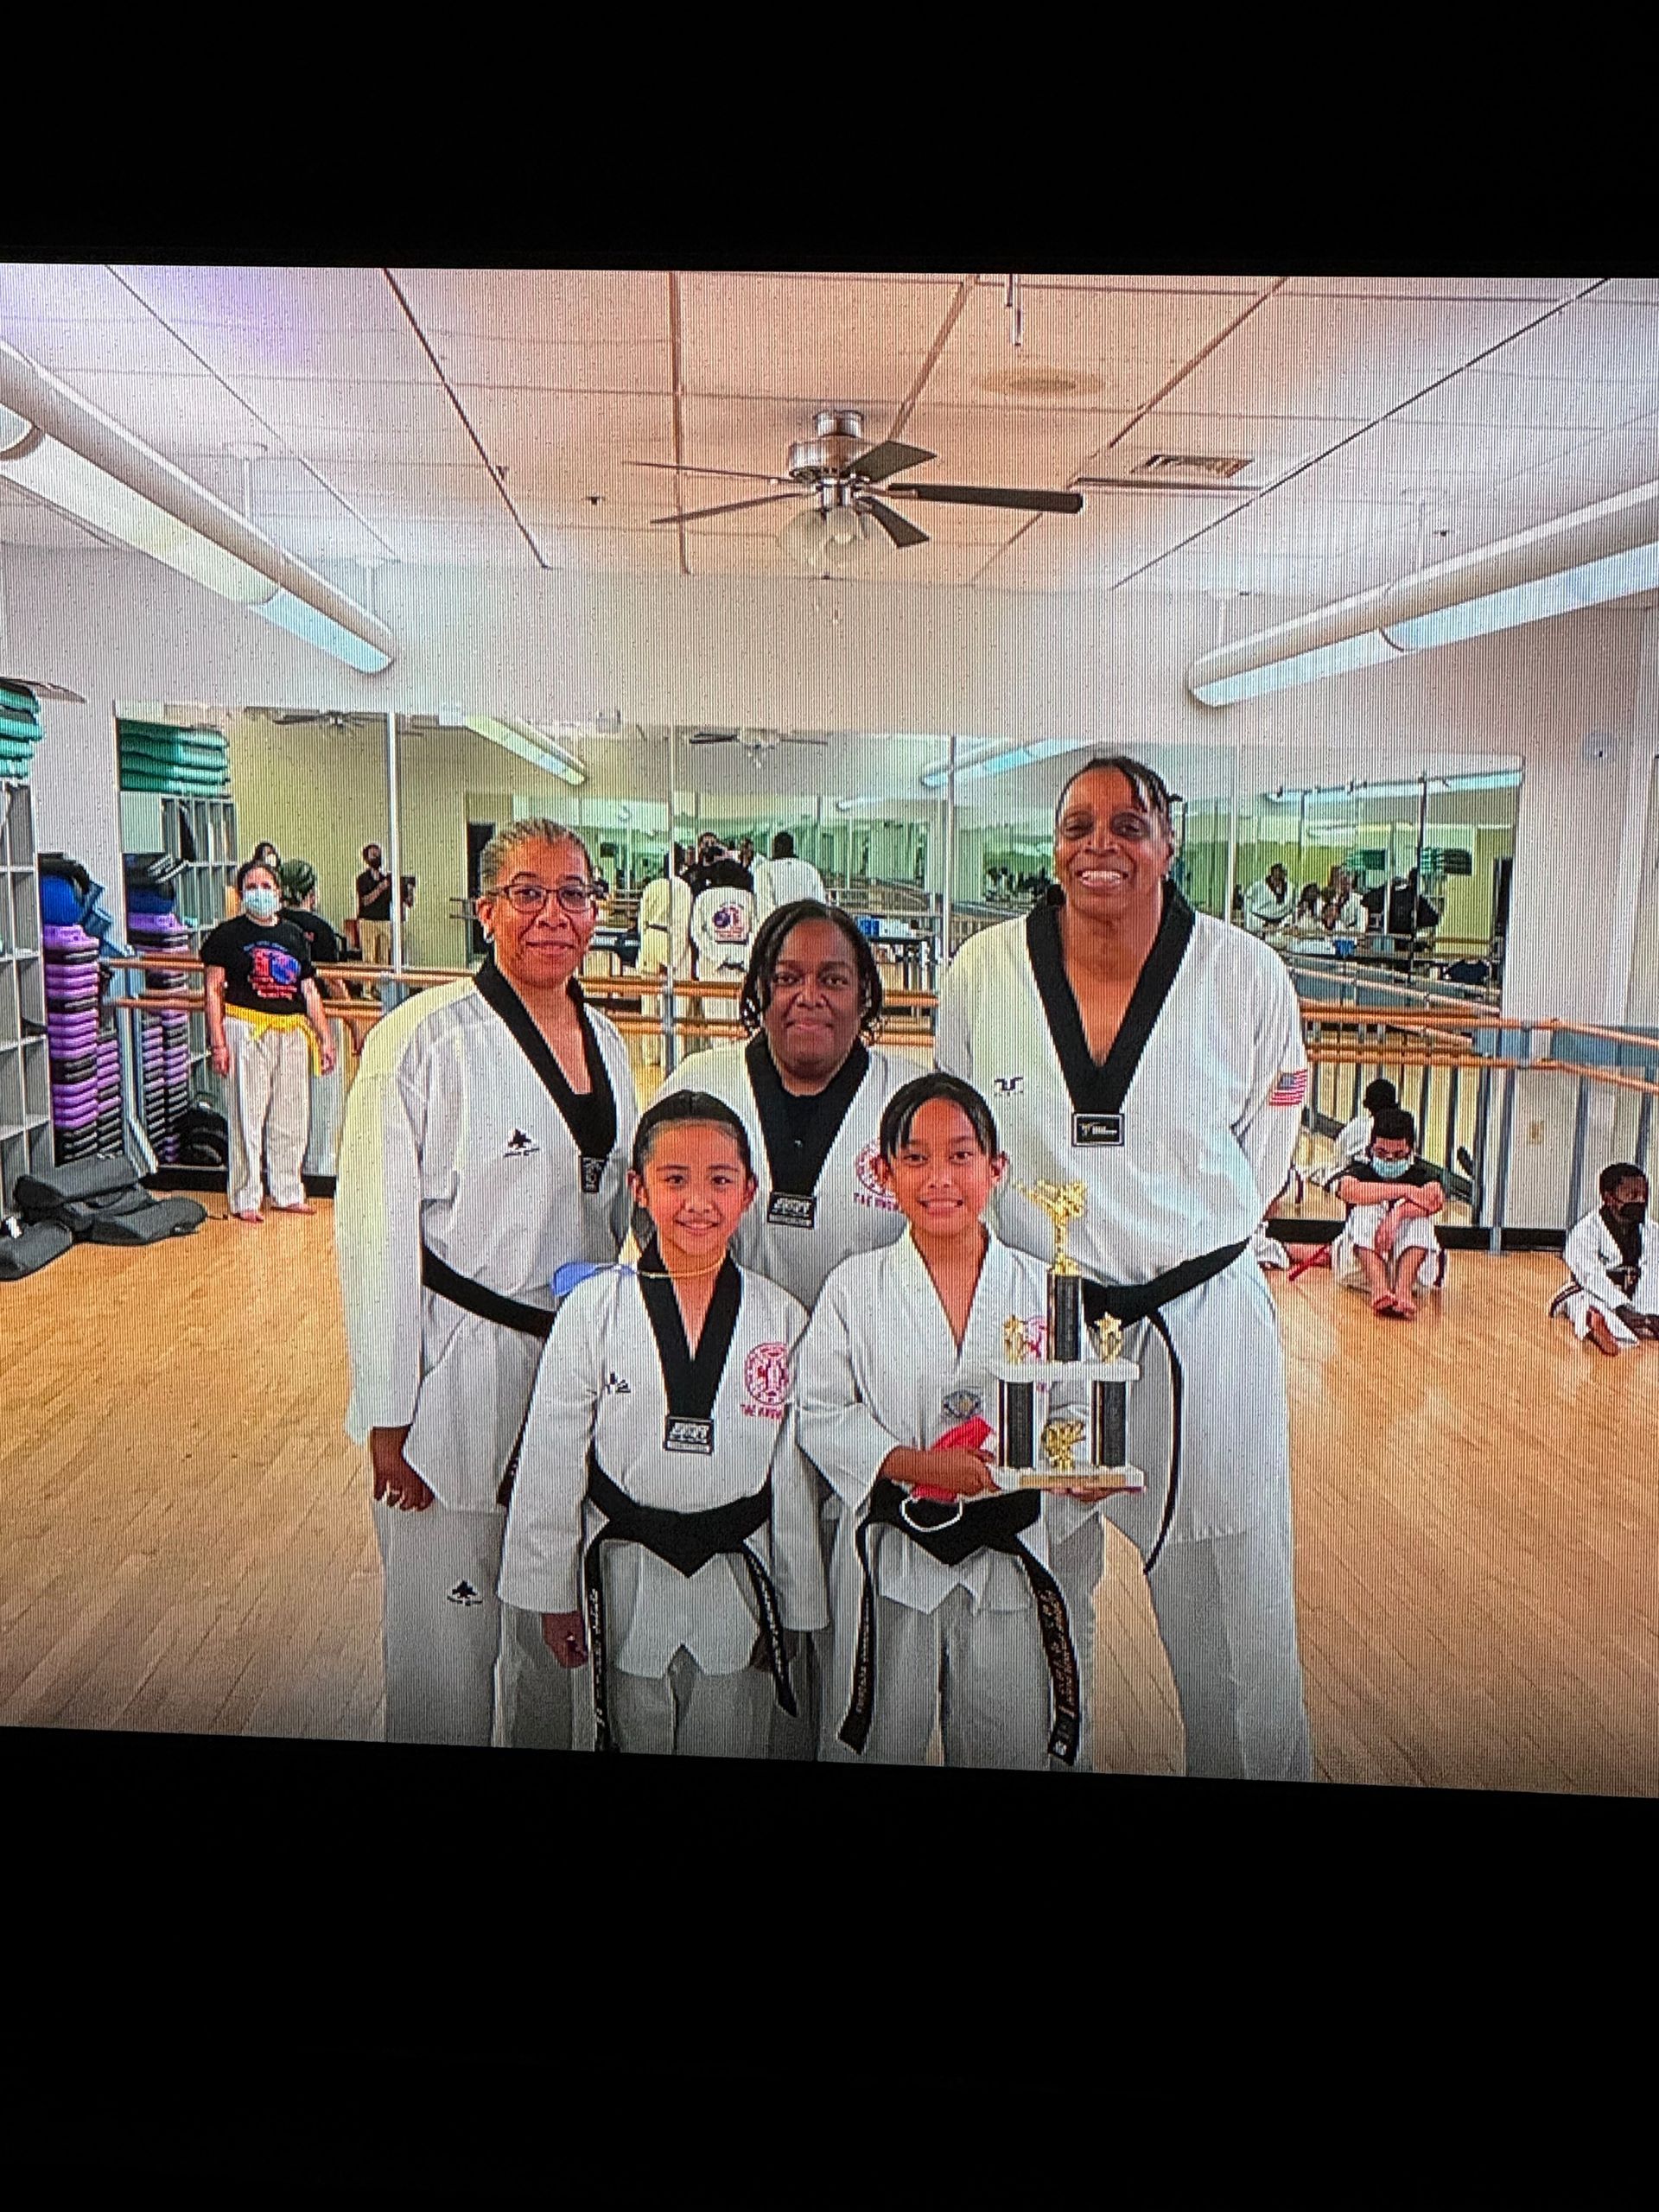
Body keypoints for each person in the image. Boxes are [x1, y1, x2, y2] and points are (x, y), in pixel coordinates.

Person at [935, 753, 1313, 1783]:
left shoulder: (1245, 975)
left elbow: (1266, 1157)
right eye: (1078, 826)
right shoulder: (983, 970)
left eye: (1128, 824)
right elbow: (960, 1140)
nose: (1100, 845)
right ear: (1053, 844)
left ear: (1169, 839)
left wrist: (1182, 1232)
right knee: (1027, 1592)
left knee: (1231, 1591)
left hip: (1199, 1318)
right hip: (1039, 1319)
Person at [334, 817, 639, 1750]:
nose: (554, 915)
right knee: (443, 1652)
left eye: (575, 894)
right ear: (486, 910)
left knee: (552, 1637)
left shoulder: (609, 1040)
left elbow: (618, 1213)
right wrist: (388, 1414)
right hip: (451, 1381)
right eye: (528, 893)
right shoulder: (422, 1041)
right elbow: (374, 1236)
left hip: (570, 1373)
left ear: (599, 911)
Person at [657, 897, 916, 1757]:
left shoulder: (910, 1101)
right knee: (735, 1637)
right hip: (729, 1401)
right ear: (758, 988)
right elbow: (654, 1246)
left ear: (865, 995)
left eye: (834, 978)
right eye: (789, 976)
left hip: (867, 1410)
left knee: (852, 1628)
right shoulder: (703, 1084)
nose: (810, 996)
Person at [798, 1073, 1113, 1770]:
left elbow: (1077, 1408)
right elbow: (819, 1410)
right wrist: (913, 1465)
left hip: (1007, 1548)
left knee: (1012, 1743)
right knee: (878, 1742)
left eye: (962, 1156)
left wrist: (1078, 1466)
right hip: (893, 1556)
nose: (940, 1178)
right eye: (915, 1158)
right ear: (883, 1173)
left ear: (996, 1170)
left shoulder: (1043, 1287)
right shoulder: (855, 1286)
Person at [497, 1091, 826, 1758]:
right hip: (624, 1577)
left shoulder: (782, 1319)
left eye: (719, 1181)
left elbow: (791, 1481)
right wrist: (551, 1592)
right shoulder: (593, 1311)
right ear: (639, 1189)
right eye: (675, 1180)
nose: (698, 1202)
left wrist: (793, 1608)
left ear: (748, 1193)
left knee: (733, 1736)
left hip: (738, 1579)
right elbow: (555, 1457)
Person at [202, 858, 338, 1225]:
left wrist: (325, 1037)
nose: (259, 893)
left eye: (266, 887)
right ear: (241, 893)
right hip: (246, 1027)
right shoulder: (227, 936)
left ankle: (288, 1189)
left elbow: (308, 989)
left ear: (278, 893)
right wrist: (218, 1042)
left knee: (291, 1115)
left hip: (291, 1030)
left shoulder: (294, 936)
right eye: (251, 887)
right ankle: (246, 1195)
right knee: (248, 1113)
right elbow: (214, 990)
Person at [1332, 1106, 1447, 1319]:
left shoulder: (1422, 1176)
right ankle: (1379, 1288)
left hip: (1412, 1274)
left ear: (1411, 1152)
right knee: (1367, 1208)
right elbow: (1349, 1191)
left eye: (1398, 1155)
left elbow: (1434, 1201)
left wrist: (1398, 1215)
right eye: (1382, 1154)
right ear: (1371, 1148)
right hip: (1361, 1271)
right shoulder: (1360, 1172)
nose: (1389, 1161)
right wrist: (1406, 1190)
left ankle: (1403, 1291)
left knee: (1420, 1218)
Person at [277, 859, 353, 1179]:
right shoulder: (319, 929)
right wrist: (355, 1025)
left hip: (280, 1020)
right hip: (320, 1018)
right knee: (322, 1100)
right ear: (312, 891)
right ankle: (320, 1170)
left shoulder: (273, 922)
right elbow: (334, 982)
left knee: (286, 1098)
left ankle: (285, 1170)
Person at [1549, 1164, 1659, 1356]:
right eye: (1632, 1196)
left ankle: (1634, 1325)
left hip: (1634, 1295)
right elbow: (1590, 1275)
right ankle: (1595, 1324)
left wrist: (1649, 1314)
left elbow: (1652, 1273)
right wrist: (1620, 1307)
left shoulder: (1652, 1232)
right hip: (1594, 1290)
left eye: (1644, 1196)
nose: (1640, 1201)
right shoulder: (1586, 1230)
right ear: (1609, 1198)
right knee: (1586, 1302)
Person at [688, 850, 756, 1053]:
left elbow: (697, 934)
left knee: (716, 1024)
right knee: (740, 1022)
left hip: (713, 968)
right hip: (741, 969)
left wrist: (717, 955)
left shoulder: (704, 898)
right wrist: (743, 957)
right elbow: (757, 931)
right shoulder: (750, 899)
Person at [634, 847, 693, 1069]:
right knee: (675, 1004)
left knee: (649, 1003)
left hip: (651, 938)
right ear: (681, 864)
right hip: (670, 940)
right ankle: (674, 1057)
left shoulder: (652, 886)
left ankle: (650, 1055)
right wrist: (673, 960)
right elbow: (681, 925)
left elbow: (642, 922)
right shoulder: (682, 889)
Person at [1318, 1076, 1397, 1187]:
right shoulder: (1407, 1127)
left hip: (1358, 1178)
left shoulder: (1359, 1126)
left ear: (1368, 1105)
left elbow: (1340, 1156)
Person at [751, 830, 827, 925]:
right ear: (793, 848)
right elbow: (821, 906)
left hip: (780, 931)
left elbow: (765, 911)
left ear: (773, 849)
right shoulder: (810, 869)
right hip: (808, 929)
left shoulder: (764, 870)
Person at [355, 842, 393, 969]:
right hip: (368, 922)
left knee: (384, 961)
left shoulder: (386, 879)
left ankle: (382, 989)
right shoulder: (362, 879)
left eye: (379, 854)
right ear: (367, 859)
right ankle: (368, 989)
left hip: (384, 922)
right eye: (374, 855)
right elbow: (365, 901)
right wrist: (380, 888)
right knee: (369, 960)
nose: (377, 857)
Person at [1243, 862, 1294, 935]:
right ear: (1272, 872)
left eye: (1282, 872)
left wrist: (1285, 923)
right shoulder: (1258, 886)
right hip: (1261, 922)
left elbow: (1291, 907)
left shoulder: (1290, 887)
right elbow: (1247, 902)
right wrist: (1262, 924)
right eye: (1278, 871)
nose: (1279, 874)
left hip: (1281, 923)